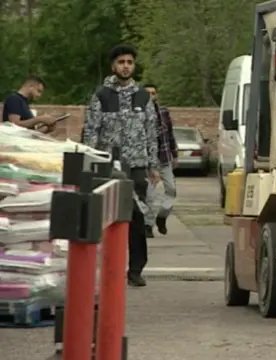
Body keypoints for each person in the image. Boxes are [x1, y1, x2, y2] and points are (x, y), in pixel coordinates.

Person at [82, 44, 160, 287]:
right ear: (113, 66)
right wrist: (90, 161)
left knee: (137, 216)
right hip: (108, 163)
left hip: (137, 163)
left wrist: (154, 165)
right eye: (121, 62)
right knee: (108, 216)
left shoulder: (143, 96)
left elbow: (151, 132)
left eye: (129, 62)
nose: (126, 66)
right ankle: (106, 268)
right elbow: (91, 131)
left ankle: (135, 269)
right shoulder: (102, 96)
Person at [143, 84, 178, 238]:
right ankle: (148, 225)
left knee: (171, 190)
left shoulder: (163, 112)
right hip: (149, 162)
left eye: (153, 93)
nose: (151, 96)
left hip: (164, 158)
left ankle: (161, 217)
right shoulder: (138, 114)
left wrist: (174, 154)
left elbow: (170, 134)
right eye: (147, 93)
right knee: (150, 195)